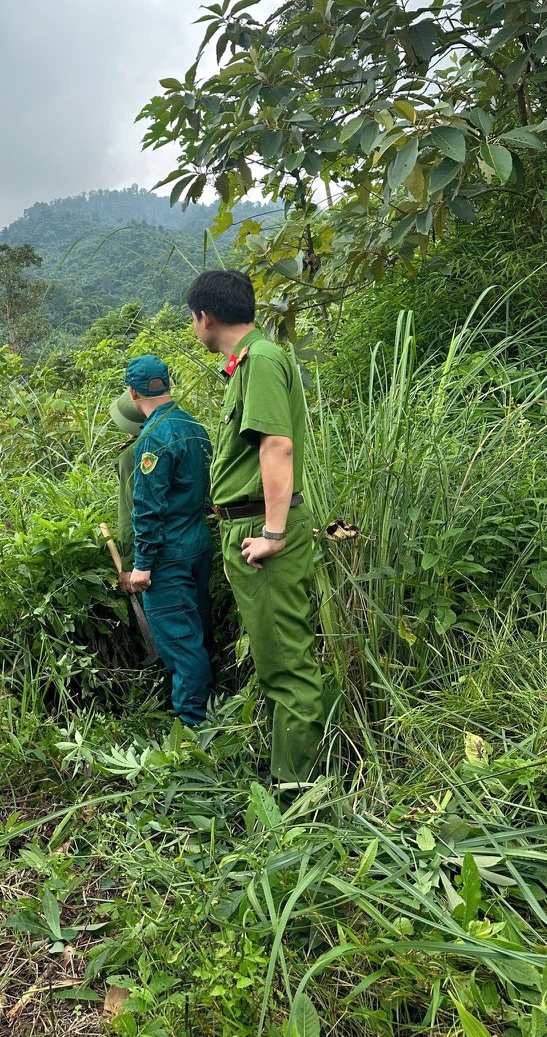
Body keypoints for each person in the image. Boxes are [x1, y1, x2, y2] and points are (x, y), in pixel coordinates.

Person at [187, 268, 324, 789]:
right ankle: (290, 767)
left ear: (206, 317)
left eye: (192, 319)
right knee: (275, 656)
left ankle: (298, 787)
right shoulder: (247, 363)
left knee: (286, 661)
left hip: (262, 534)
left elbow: (276, 446)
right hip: (246, 528)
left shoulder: (262, 360)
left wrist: (272, 532)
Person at [121, 355, 214, 726]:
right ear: (168, 384)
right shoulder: (195, 427)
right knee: (199, 628)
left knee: (179, 639)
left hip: (168, 557)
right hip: (199, 545)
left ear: (132, 392)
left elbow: (147, 509)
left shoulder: (153, 439)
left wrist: (142, 566)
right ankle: (214, 707)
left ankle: (194, 727)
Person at [108, 391, 144, 586]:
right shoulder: (187, 431)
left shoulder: (132, 453)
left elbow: (130, 509)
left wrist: (129, 564)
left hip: (155, 556)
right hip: (196, 544)